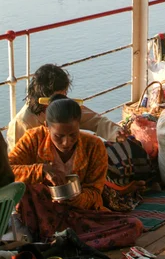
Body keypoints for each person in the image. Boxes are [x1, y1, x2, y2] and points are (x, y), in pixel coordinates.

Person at [9, 94, 143, 249]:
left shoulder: (94, 146)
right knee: (31, 189)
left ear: (79, 125)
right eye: (59, 136)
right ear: (47, 126)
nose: (66, 142)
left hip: (80, 215)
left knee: (134, 225)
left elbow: (94, 192)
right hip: (42, 215)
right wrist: (41, 170)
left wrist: (75, 198)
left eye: (72, 135)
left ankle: (57, 243)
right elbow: (8, 171)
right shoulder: (33, 139)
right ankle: (65, 242)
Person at [7, 64, 121, 151]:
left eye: (64, 94)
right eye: (58, 96)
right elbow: (16, 162)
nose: (63, 99)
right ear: (43, 97)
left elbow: (95, 120)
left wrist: (117, 133)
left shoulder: (64, 106)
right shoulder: (23, 122)